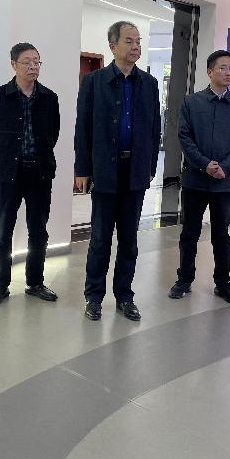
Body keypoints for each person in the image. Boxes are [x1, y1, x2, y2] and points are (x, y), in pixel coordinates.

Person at [74, 21, 160, 321]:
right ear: (113, 46)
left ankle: (124, 295)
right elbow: (83, 128)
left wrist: (150, 167)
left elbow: (154, 129)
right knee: (100, 239)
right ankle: (94, 297)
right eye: (129, 41)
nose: (135, 46)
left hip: (135, 170)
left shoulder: (149, 83)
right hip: (105, 169)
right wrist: (82, 169)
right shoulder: (94, 82)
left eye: (138, 41)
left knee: (129, 240)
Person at [0, 43, 60, 306]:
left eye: (37, 61)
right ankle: (0, 285)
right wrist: (6, 157)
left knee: (38, 231)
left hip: (39, 173)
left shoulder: (49, 98)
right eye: (27, 61)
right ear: (13, 64)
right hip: (6, 174)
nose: (33, 66)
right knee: (3, 231)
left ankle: (35, 282)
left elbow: (52, 134)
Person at [168, 50, 230, 304]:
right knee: (190, 233)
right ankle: (184, 280)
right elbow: (184, 137)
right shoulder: (192, 103)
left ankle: (223, 283)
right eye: (223, 67)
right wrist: (205, 165)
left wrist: (225, 166)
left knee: (221, 235)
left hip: (225, 182)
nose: (229, 72)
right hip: (195, 180)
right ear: (210, 72)